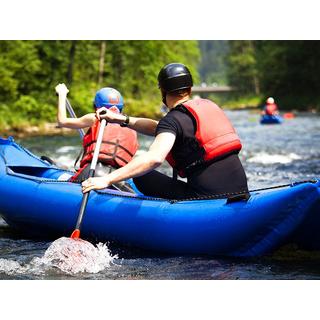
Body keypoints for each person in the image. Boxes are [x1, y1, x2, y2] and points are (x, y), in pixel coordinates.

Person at [81, 63, 249, 200]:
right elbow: (159, 128)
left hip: (207, 198)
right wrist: (121, 119)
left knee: (142, 176)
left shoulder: (173, 120)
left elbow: (154, 158)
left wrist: (107, 179)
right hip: (240, 191)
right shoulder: (206, 107)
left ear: (163, 91)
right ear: (189, 89)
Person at [55, 84, 139, 189]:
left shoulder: (95, 117)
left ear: (96, 106)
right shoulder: (132, 125)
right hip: (117, 178)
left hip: (91, 172)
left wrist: (62, 95)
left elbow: (62, 121)